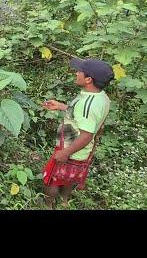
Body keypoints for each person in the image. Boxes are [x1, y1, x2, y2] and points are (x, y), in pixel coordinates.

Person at [41, 58, 114, 208]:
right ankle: (64, 201)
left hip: (71, 147)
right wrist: (62, 106)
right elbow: (92, 122)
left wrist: (65, 152)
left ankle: (47, 204)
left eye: (80, 72)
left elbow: (86, 135)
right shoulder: (101, 97)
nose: (76, 73)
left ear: (88, 79)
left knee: (51, 178)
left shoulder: (87, 105)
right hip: (82, 151)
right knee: (69, 176)